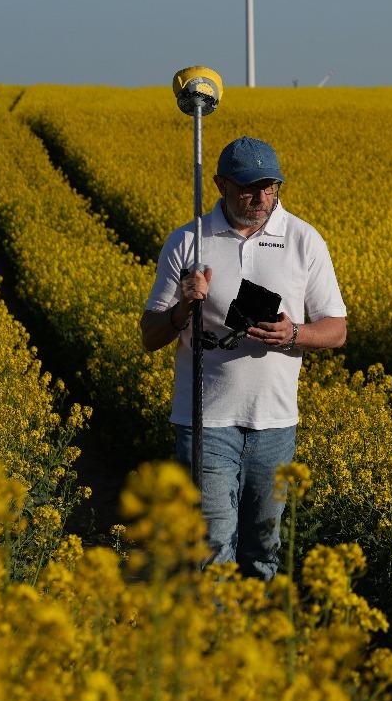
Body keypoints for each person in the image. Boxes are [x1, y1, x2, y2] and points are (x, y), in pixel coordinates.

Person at [140, 135, 347, 578]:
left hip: (275, 423)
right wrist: (184, 307)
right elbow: (150, 335)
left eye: (270, 187)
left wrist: (294, 333)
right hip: (204, 422)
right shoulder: (189, 242)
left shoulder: (303, 239)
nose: (262, 198)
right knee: (212, 549)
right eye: (249, 188)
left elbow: (336, 329)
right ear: (221, 185)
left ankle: (258, 622)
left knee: (263, 548)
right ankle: (220, 624)